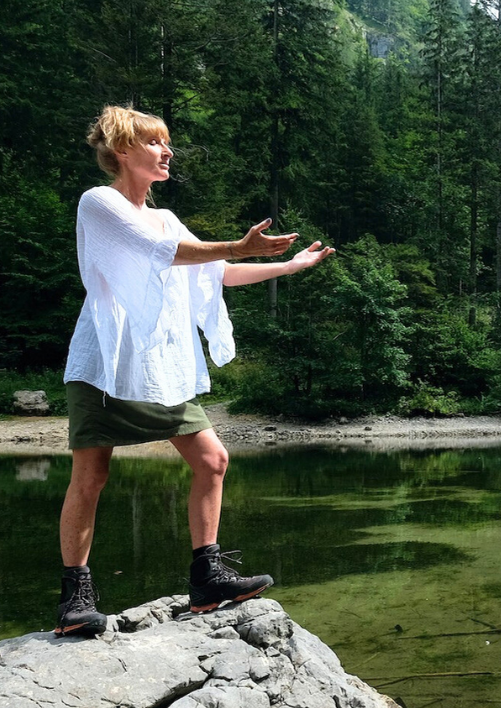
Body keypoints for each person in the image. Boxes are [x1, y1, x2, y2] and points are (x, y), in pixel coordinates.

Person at [54, 105, 332, 636]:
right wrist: (238, 244)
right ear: (121, 150)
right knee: (91, 475)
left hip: (159, 367)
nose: (167, 151)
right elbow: (163, 253)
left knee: (212, 460)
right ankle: (74, 600)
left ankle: (207, 576)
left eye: (167, 142)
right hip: (105, 362)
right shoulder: (100, 203)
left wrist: (287, 266)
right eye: (155, 142)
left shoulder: (165, 217)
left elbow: (215, 270)